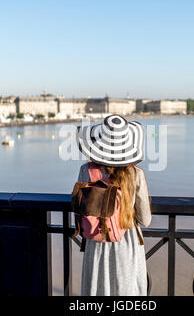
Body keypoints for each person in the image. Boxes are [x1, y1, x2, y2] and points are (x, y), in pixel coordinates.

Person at [76, 114, 152, 296]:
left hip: (96, 238)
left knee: (96, 288)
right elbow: (145, 219)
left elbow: (81, 208)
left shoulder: (86, 171)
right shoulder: (135, 174)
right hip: (127, 240)